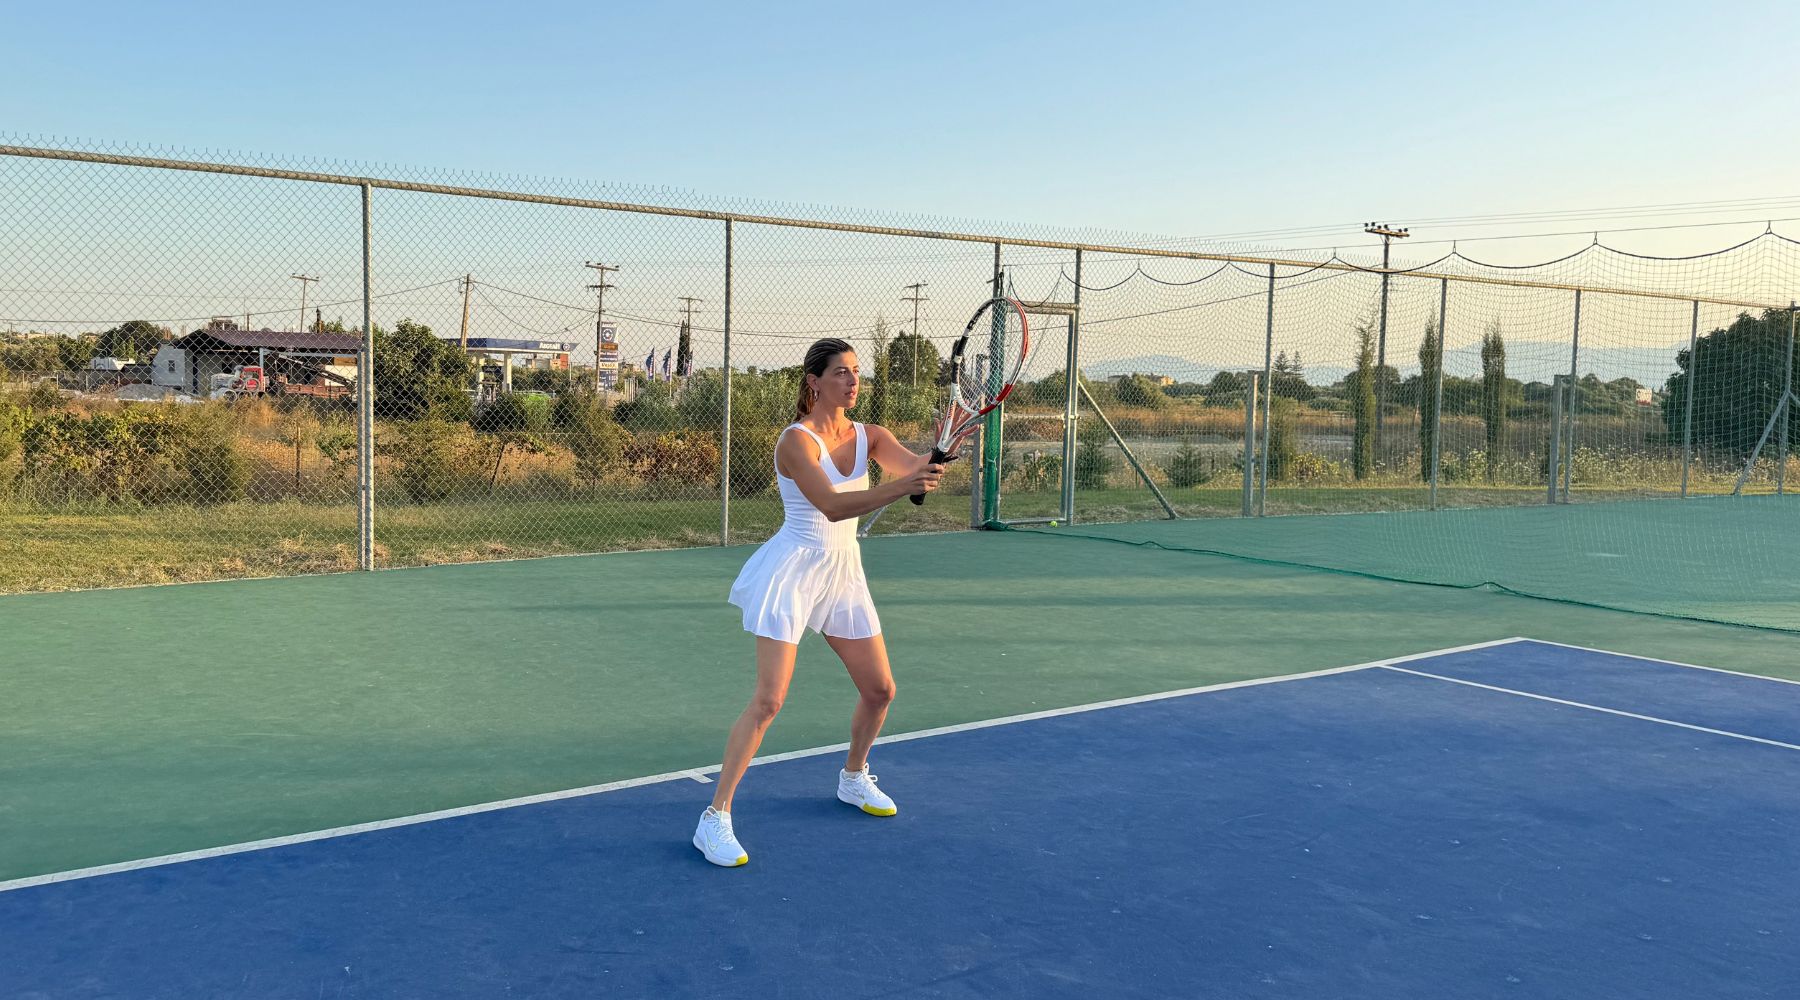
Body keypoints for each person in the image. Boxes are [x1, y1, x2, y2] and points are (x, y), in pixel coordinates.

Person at [693, 336, 969, 867]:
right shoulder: (794, 443)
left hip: (843, 572)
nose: (852, 381)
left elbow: (914, 474)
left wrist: (941, 454)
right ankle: (715, 818)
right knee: (769, 701)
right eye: (841, 372)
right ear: (813, 382)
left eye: (856, 372)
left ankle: (853, 777)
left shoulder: (871, 435)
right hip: (794, 570)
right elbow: (833, 507)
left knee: (880, 689)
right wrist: (906, 483)